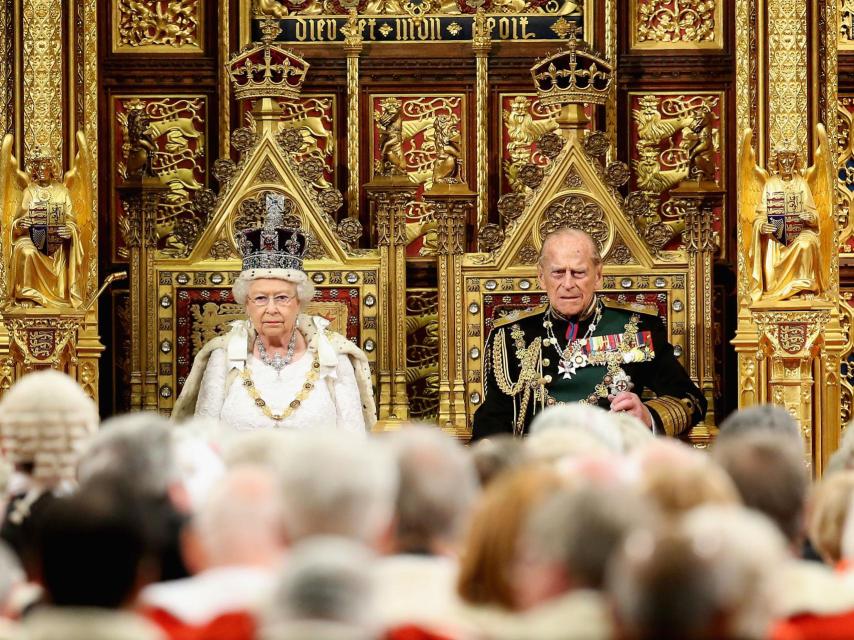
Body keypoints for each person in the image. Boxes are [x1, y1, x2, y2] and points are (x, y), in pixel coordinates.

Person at [471, 228, 706, 440]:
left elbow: (690, 400)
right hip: (538, 467)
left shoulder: (636, 327)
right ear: (541, 277)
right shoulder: (511, 335)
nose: (568, 283)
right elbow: (493, 417)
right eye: (558, 273)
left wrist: (646, 415)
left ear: (598, 275)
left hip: (612, 464)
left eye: (579, 273)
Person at [172, 195, 375, 432]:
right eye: (260, 298)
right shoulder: (223, 356)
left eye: (282, 298)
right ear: (246, 305)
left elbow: (352, 443)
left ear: (300, 302)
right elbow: (204, 443)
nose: (271, 309)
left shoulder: (334, 356)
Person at [10, 145, 85, 307]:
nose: (42, 170)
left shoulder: (62, 191)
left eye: (46, 167)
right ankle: (29, 296)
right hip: (31, 239)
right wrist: (21, 224)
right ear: (34, 169)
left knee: (61, 252)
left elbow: (72, 221)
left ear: (52, 168)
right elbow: (16, 223)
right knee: (26, 251)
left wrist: (69, 230)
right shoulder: (29, 191)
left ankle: (59, 296)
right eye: (39, 167)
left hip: (56, 242)